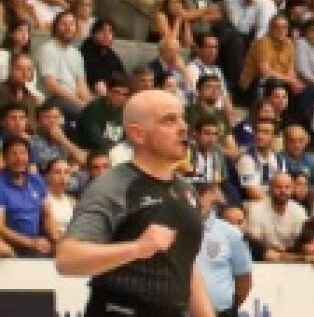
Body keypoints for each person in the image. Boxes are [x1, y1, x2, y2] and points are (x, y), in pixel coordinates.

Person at [56, 88, 214, 317]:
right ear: (138, 134)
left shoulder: (187, 191)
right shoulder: (113, 186)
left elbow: (185, 264)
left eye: (182, 118)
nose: (183, 128)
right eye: (169, 121)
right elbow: (67, 259)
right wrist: (137, 249)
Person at [195, 186, 253, 317]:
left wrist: (228, 309)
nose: (197, 199)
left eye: (202, 192)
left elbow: (244, 278)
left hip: (221, 312)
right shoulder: (172, 230)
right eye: (193, 193)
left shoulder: (231, 233)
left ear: (213, 194)